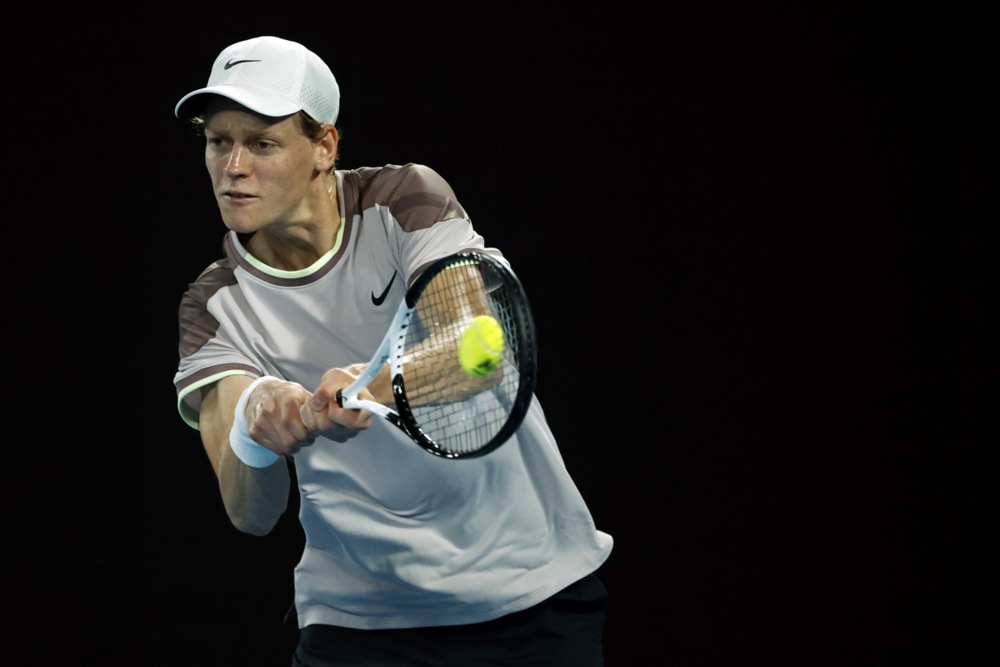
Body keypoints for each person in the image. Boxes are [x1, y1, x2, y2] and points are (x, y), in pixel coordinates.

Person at [171, 35, 613, 666]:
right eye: (218, 141)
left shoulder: (401, 200)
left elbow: (477, 352)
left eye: (262, 143)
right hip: (358, 626)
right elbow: (250, 512)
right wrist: (259, 423)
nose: (233, 165)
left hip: (530, 595)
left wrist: (360, 389)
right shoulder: (213, 305)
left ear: (323, 146)